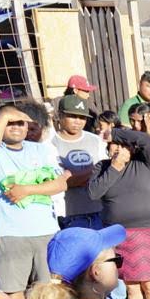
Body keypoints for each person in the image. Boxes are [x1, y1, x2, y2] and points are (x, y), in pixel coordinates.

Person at [0, 104, 69, 299]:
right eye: (9, 122)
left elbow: (60, 183)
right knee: (14, 294)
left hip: (47, 232)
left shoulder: (40, 149)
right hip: (10, 234)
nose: (16, 126)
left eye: (20, 122)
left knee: (49, 294)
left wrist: (26, 190)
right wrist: (5, 114)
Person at [88, 128, 150, 299]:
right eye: (115, 145)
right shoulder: (103, 167)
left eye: (124, 145)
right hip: (117, 234)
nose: (120, 149)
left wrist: (113, 132)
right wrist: (115, 166)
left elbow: (146, 139)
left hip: (145, 231)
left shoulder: (143, 162)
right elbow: (94, 192)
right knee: (131, 287)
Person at [52, 95, 107, 231]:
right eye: (72, 116)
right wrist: (91, 172)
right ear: (60, 115)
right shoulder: (49, 143)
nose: (78, 121)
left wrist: (74, 177)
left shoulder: (95, 141)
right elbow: (58, 182)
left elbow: (105, 174)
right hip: (65, 214)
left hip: (97, 210)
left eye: (82, 117)